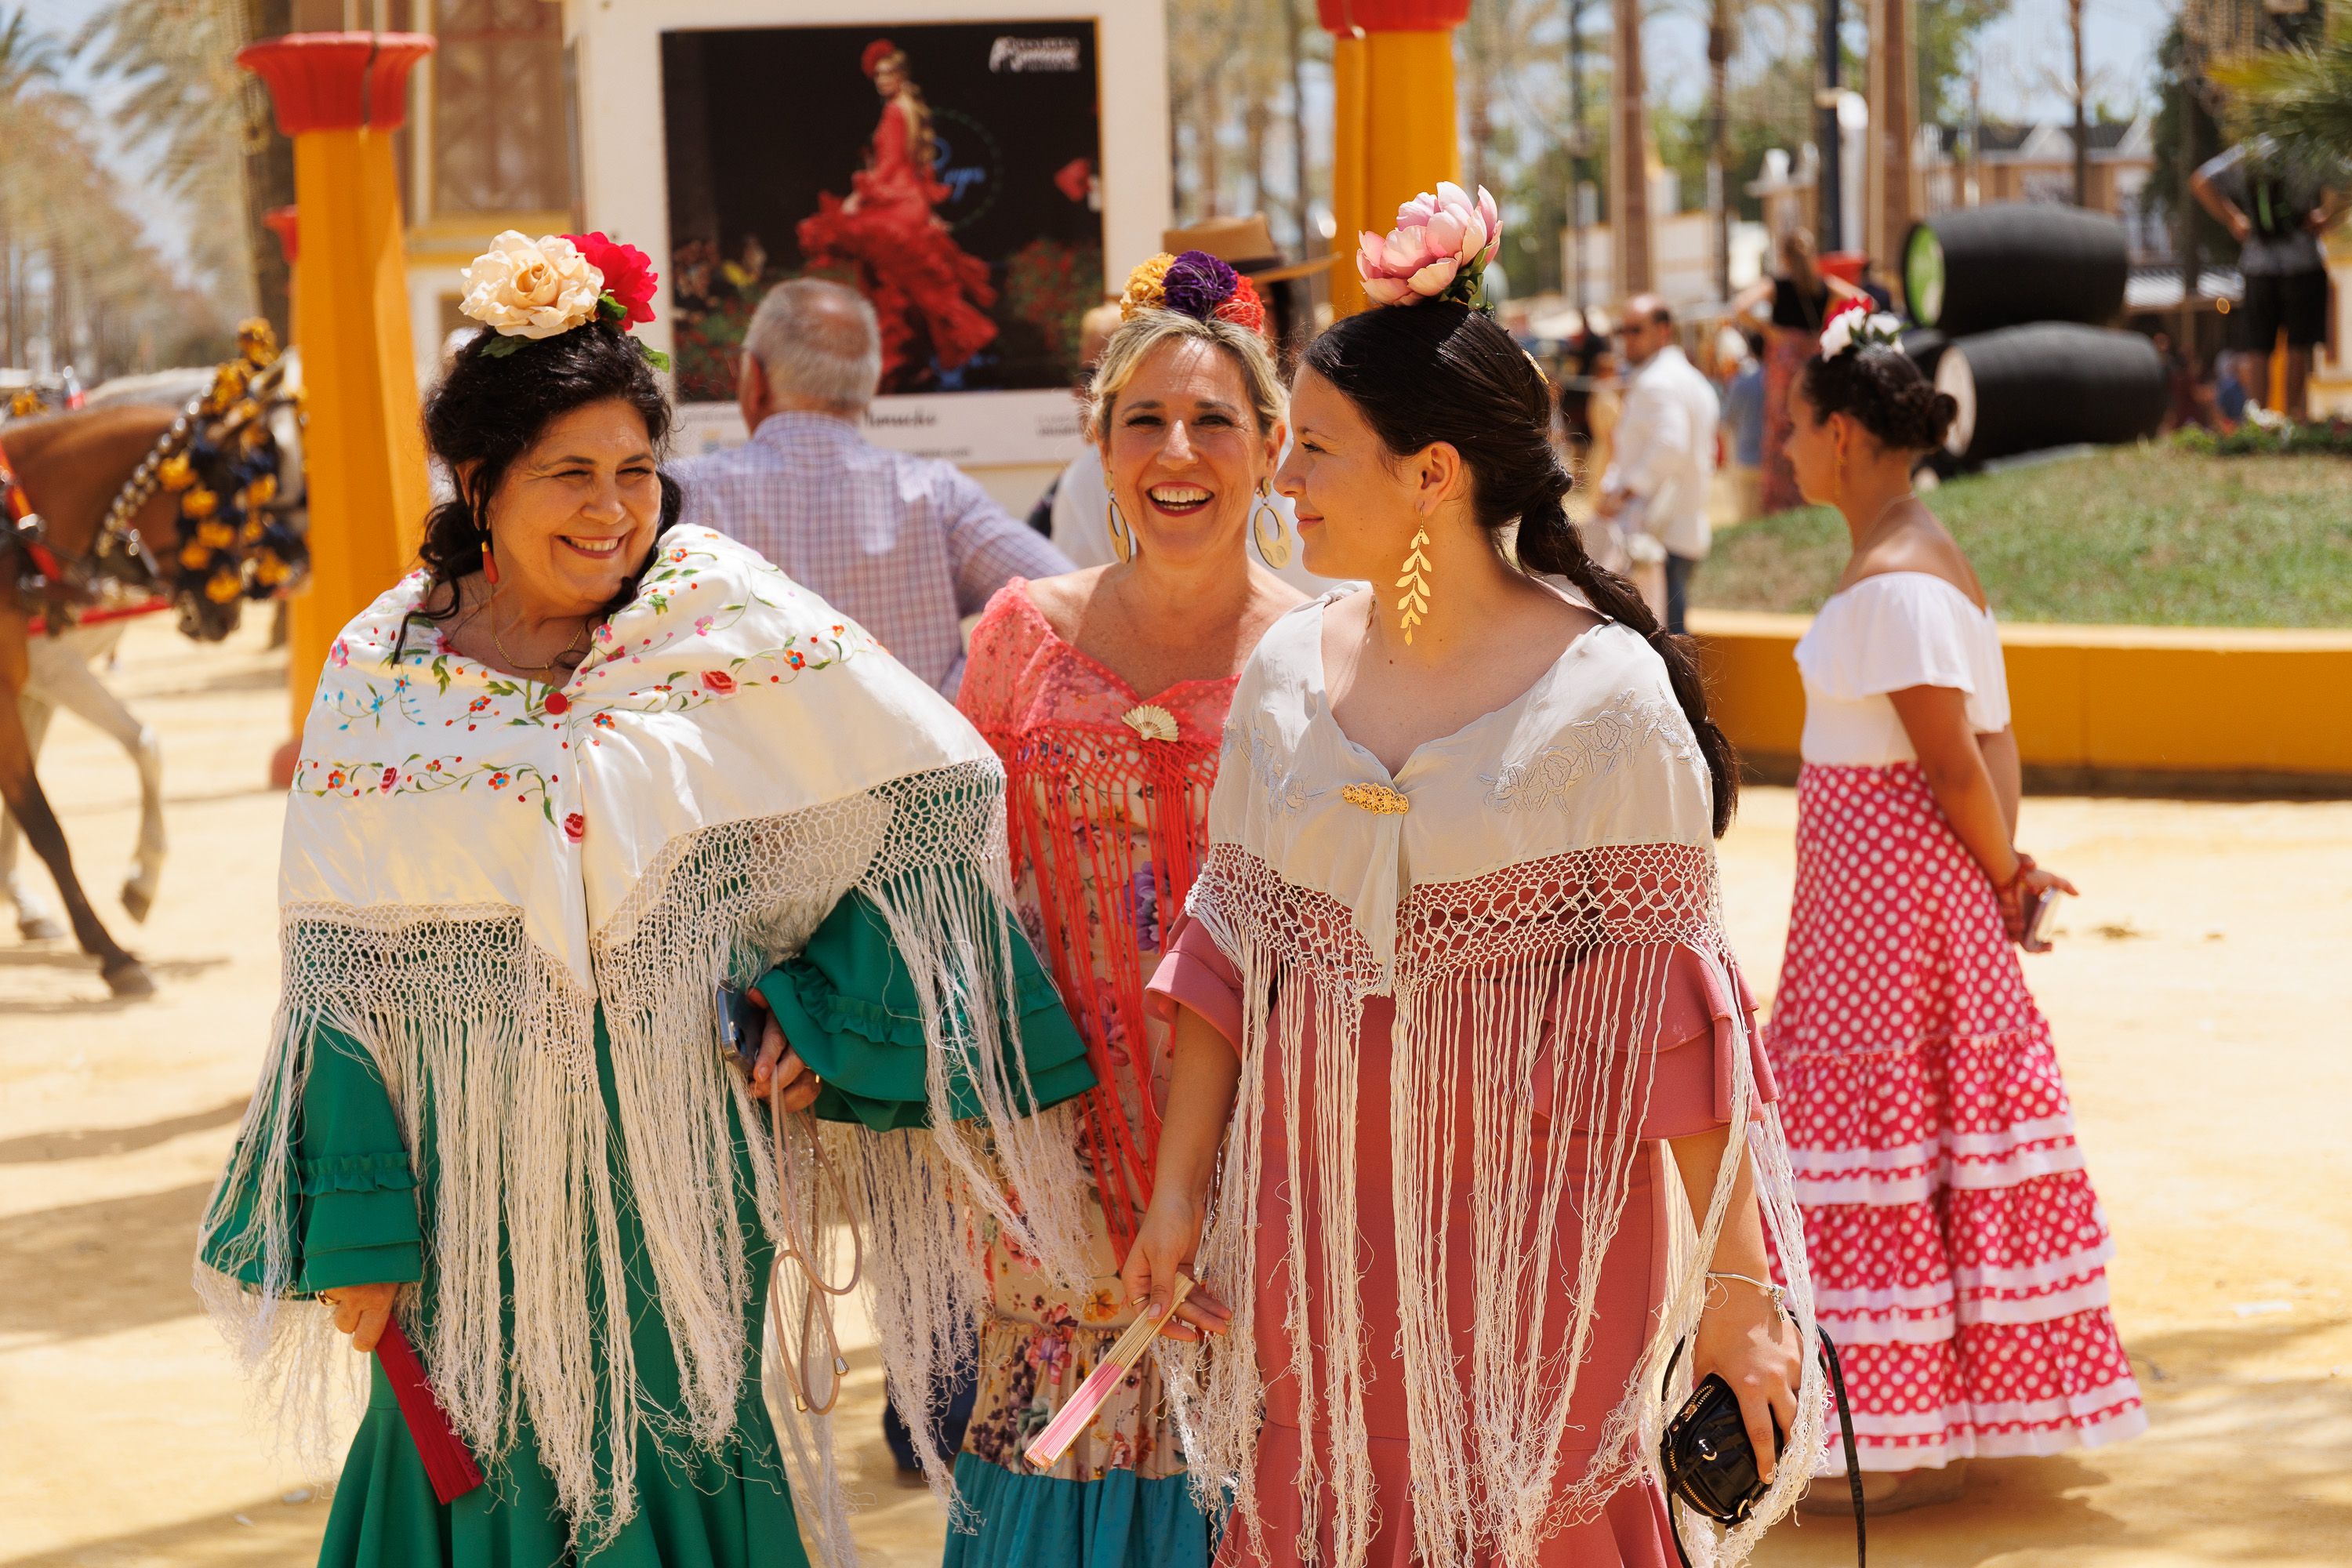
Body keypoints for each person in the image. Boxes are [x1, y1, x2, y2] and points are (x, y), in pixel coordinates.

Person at [194, 232, 1098, 1568]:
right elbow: (339, 966)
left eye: (634, 473)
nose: (613, 509)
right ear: (481, 480)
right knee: (478, 1466)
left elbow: (927, 797)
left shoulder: (718, 618)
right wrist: (365, 1233)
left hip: (678, 1185)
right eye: (570, 474)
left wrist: (817, 1007)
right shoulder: (383, 671)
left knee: (682, 1447)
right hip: (469, 1206)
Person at [1119, 191, 1829, 1567]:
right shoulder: (1280, 678)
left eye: (1314, 448)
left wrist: (1740, 1282)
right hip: (1309, 1242)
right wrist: (1176, 1199)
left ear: (1432, 472)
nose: (1285, 480)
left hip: (1544, 1259)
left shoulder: (1609, 698)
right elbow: (1222, 962)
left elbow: (1682, 1026)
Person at [946, 250, 1305, 1568]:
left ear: (1272, 449)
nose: (1179, 449)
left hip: (1272, 1157)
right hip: (1057, 1152)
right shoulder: (1018, 639)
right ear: (1100, 448)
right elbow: (948, 886)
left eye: (1216, 421)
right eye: (1144, 419)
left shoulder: (1330, 656)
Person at [1766, 310, 2145, 1514]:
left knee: (1875, 1140)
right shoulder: (1927, 563)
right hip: (1898, 898)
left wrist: (1999, 870)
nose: (1783, 452)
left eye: (1792, 430)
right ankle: (1907, 1422)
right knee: (1918, 1143)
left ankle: (1876, 1437)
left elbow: (1953, 762)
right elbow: (1989, 743)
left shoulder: (1895, 584)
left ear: (1839, 435)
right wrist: (2003, 868)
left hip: (1886, 909)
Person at [671, 278, 1071, 697]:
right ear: (871, 385)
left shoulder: (682, 492)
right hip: (920, 758)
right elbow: (1069, 604)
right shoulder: (936, 494)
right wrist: (964, 691)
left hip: (743, 762)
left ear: (755, 377)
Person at [797, 38, 997, 389]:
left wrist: (858, 197)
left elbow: (888, 169)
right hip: (910, 207)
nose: (881, 80)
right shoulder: (912, 107)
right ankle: (911, 364)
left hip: (894, 208)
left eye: (887, 73)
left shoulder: (893, 111)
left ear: (902, 75)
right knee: (903, 291)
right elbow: (918, 169)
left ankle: (898, 366)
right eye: (877, 74)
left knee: (842, 245)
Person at [2192, 136, 2343, 423]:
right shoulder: (2309, 148)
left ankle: (2259, 419)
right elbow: (2347, 178)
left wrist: (2234, 219)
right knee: (2298, 345)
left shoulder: (2250, 152)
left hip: (2257, 266)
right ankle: (2290, 419)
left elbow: (2201, 181)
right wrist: (2328, 217)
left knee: (2259, 347)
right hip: (2304, 263)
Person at [1598, 295, 1719, 635]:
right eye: (1623, 330)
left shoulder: (1658, 382)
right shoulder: (1691, 379)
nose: (1627, 338)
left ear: (1664, 331)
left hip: (1656, 533)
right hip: (1679, 530)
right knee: (1671, 638)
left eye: (1636, 330)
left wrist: (1622, 492)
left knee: (1662, 646)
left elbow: (1671, 444)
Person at [1732, 228, 1866, 514]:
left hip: (1784, 362)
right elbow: (1865, 301)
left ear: (1783, 256)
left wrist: (1768, 330)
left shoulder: (1777, 285)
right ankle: (1819, 491)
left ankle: (1781, 500)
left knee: (1781, 427)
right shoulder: (1823, 284)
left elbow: (1740, 306)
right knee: (1814, 422)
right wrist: (1831, 322)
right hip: (1814, 359)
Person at [1722, 329, 1767, 521]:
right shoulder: (1779, 379)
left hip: (1746, 459)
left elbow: (1726, 419)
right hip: (1773, 461)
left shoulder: (1742, 382)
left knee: (1748, 520)